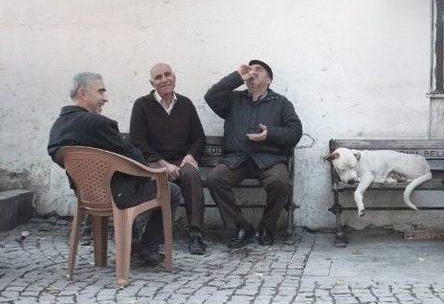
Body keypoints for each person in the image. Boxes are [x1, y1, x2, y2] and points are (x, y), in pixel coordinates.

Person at [48, 72, 181, 266]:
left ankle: (132, 245)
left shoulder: (58, 126)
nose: (106, 98)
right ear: (83, 93)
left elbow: (60, 157)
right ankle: (148, 246)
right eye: (101, 92)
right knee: (171, 190)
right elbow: (134, 158)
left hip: (87, 195)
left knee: (130, 181)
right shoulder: (99, 123)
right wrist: (152, 171)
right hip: (117, 195)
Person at [204, 60, 302, 248]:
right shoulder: (234, 98)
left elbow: (295, 131)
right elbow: (211, 96)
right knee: (215, 179)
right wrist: (237, 77)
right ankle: (241, 226)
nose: (253, 72)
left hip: (269, 160)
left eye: (259, 70)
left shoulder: (281, 103)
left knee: (281, 182)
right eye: (250, 70)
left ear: (269, 79)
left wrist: (270, 133)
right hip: (237, 159)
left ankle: (266, 227)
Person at [129, 63, 207, 255]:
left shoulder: (186, 104)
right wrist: (163, 164)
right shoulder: (142, 105)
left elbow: (199, 138)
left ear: (174, 77)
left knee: (192, 175)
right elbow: (138, 142)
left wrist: (190, 156)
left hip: (180, 162)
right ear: (152, 83)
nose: (164, 80)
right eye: (158, 77)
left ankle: (196, 234)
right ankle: (147, 238)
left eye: (167, 75)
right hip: (153, 164)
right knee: (159, 183)